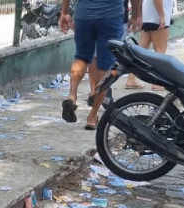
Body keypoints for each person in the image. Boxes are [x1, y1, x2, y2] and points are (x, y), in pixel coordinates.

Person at [60, 0, 142, 129]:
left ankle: (72, 96)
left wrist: (64, 12)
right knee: (105, 67)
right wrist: (136, 15)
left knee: (81, 57)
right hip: (111, 16)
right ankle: (92, 117)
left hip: (84, 14)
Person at [125, 0, 174, 89]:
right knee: (160, 50)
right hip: (157, 17)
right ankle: (158, 82)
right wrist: (162, 16)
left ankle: (131, 79)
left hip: (148, 16)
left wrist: (140, 15)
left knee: (140, 51)